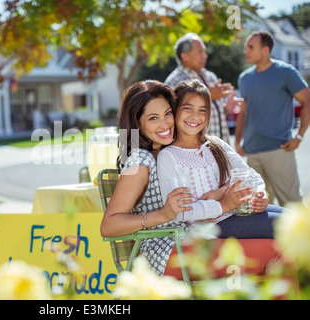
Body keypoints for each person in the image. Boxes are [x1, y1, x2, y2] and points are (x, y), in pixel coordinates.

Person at [100, 79, 281, 280]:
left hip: (193, 237)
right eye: (153, 118)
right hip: (167, 251)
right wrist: (162, 215)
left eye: (168, 113)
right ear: (138, 123)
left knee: (283, 244)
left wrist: (225, 192)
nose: (165, 123)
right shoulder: (141, 161)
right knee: (277, 253)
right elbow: (109, 225)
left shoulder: (162, 151)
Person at [158, 79, 282, 242]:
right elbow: (180, 211)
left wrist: (259, 194)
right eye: (187, 108)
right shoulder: (168, 156)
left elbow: (250, 175)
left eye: (202, 110)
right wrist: (222, 201)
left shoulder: (215, 144)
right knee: (286, 226)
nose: (195, 116)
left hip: (239, 212)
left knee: (298, 218)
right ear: (174, 110)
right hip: (212, 225)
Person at [235, 31, 310, 206]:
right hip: (252, 153)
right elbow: (244, 113)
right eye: (246, 47)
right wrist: (238, 141)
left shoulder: (286, 72)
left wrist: (299, 136)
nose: (246, 51)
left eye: (251, 47)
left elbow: (307, 101)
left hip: (279, 149)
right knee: (259, 207)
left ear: (266, 50)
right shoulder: (244, 78)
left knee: (292, 205)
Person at [164, 33, 241, 144]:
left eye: (204, 51)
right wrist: (209, 95)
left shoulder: (210, 76)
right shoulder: (175, 81)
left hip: (220, 150)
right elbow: (174, 116)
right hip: (196, 152)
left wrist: (226, 108)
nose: (205, 56)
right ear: (184, 56)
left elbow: (212, 116)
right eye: (200, 52)